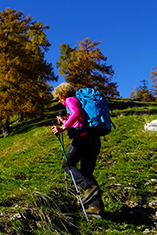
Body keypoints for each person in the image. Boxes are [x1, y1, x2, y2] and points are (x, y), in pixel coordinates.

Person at [51, 82, 104, 217]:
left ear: (62, 94)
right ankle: (96, 207)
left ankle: (88, 188)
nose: (59, 101)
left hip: (83, 138)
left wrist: (63, 128)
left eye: (58, 98)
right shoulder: (79, 101)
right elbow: (78, 118)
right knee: (86, 172)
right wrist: (65, 122)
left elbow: (75, 113)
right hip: (93, 139)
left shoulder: (70, 100)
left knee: (67, 164)